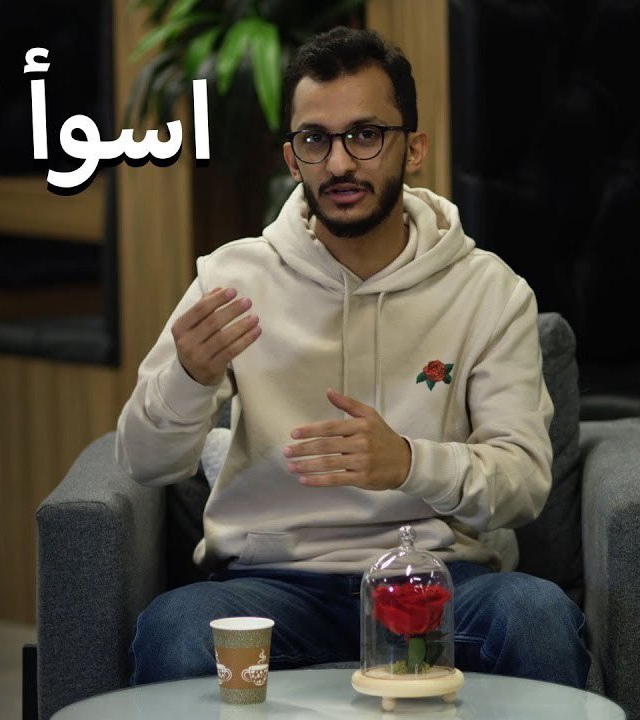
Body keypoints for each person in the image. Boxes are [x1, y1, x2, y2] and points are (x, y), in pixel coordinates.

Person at [115, 27, 590, 688]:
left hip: (437, 580)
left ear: (414, 147)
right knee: (175, 631)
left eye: (366, 134)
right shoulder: (232, 280)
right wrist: (188, 379)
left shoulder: (489, 291)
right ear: (292, 158)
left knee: (537, 618)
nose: (339, 163)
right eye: (316, 139)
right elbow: (143, 461)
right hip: (270, 583)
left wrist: (409, 462)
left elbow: (525, 482)